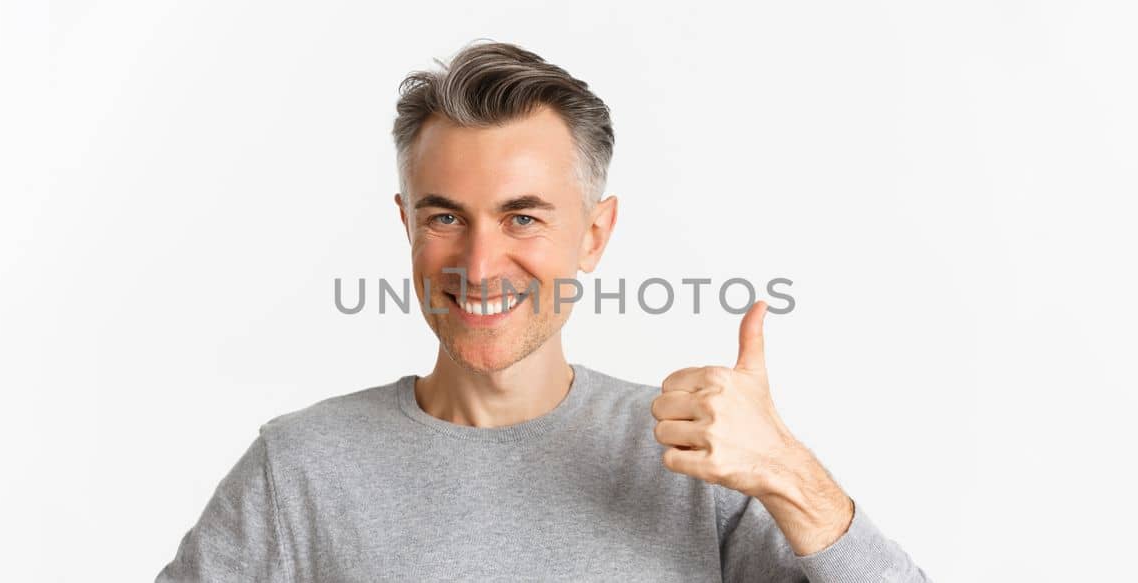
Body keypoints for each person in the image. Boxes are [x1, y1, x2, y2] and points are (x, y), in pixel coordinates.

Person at [157, 40, 929, 582]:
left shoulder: (704, 466)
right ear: (406, 226)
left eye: (523, 217)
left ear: (594, 235)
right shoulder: (299, 469)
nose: (480, 264)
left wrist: (790, 475)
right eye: (445, 217)